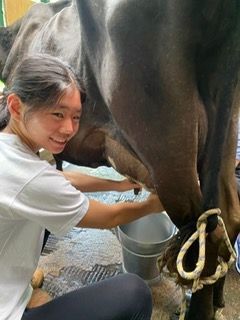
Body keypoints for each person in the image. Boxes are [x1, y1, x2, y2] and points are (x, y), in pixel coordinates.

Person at [0, 54, 163, 320]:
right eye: (57, 114)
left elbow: (62, 182)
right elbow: (110, 217)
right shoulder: (27, 177)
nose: (69, 128)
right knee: (134, 291)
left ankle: (24, 287)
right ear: (16, 107)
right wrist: (153, 204)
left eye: (76, 117)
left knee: (45, 219)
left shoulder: (10, 146)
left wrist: (119, 184)